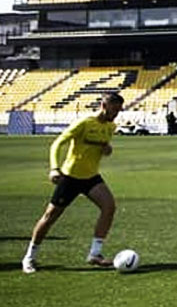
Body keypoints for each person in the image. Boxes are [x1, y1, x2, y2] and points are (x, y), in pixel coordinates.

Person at [22, 93, 125, 274]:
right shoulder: (84, 122)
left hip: (91, 177)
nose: (116, 114)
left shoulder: (111, 126)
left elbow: (102, 148)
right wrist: (54, 168)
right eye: (114, 109)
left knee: (109, 207)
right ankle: (29, 257)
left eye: (119, 110)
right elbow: (57, 143)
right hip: (70, 177)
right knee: (50, 217)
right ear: (104, 106)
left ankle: (95, 254)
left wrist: (107, 149)